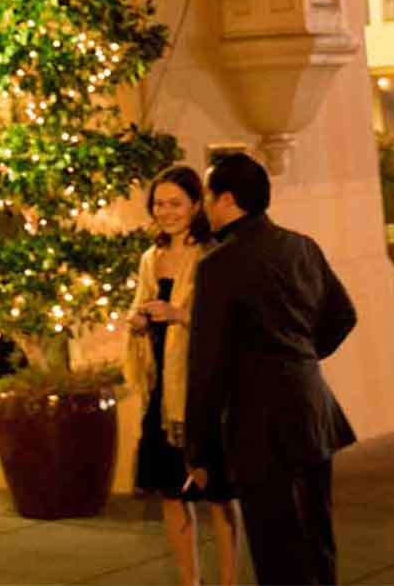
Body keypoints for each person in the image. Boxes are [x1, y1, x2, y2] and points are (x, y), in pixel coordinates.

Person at [184, 152, 356, 586]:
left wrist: (199, 449)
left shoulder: (218, 266)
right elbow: (343, 316)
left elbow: (207, 364)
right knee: (317, 536)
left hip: (260, 421)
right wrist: (300, 356)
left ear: (226, 199)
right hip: (312, 408)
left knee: (276, 545)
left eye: (207, 195)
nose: (203, 205)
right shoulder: (301, 246)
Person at [124, 166, 239, 586]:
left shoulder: (213, 255)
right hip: (163, 392)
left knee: (216, 496)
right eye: (159, 204)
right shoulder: (150, 258)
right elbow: (141, 307)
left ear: (195, 205)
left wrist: (178, 314)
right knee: (171, 494)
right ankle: (190, 581)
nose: (166, 212)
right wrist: (138, 321)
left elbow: (226, 323)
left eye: (176, 203)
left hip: (201, 388)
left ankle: (227, 581)